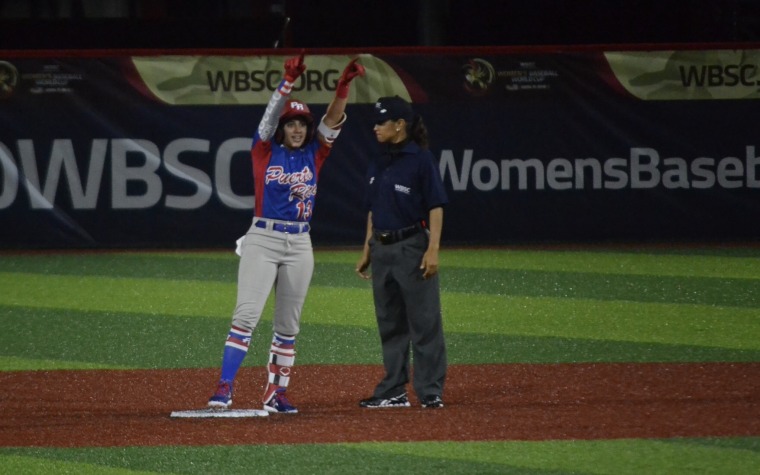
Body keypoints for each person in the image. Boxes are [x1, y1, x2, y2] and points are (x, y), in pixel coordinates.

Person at [207, 52, 365, 413]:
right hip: (262, 238)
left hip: (300, 243)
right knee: (246, 316)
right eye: (291, 123)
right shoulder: (263, 150)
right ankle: (225, 387)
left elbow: (334, 118)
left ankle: (275, 393)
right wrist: (287, 82)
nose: (297, 129)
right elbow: (267, 116)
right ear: (282, 127)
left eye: (302, 124)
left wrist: (343, 86)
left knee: (288, 326)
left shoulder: (316, 153)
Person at [355, 95, 448, 409]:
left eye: (382, 122)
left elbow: (436, 206)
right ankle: (393, 390)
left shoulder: (421, 159)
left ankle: (430, 390)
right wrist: (367, 247)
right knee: (390, 323)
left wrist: (433, 250)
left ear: (400, 125)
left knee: (424, 322)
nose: (376, 127)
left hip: (411, 247)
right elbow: (372, 210)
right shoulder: (378, 161)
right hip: (381, 250)